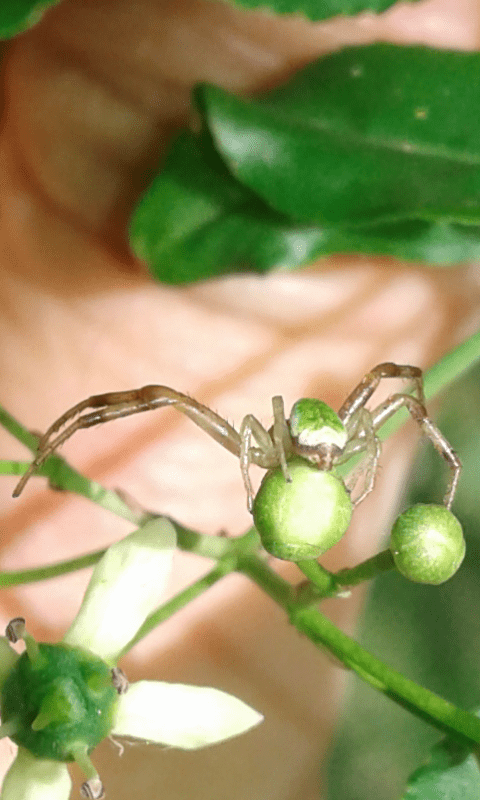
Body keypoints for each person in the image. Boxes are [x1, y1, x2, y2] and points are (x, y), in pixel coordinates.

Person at [0, 1, 478, 797]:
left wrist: (443, 477)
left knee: (397, 379)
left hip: (324, 458)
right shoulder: (266, 444)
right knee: (159, 395)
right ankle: (46, 446)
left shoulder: (354, 432)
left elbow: (405, 387)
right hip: (287, 471)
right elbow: (162, 397)